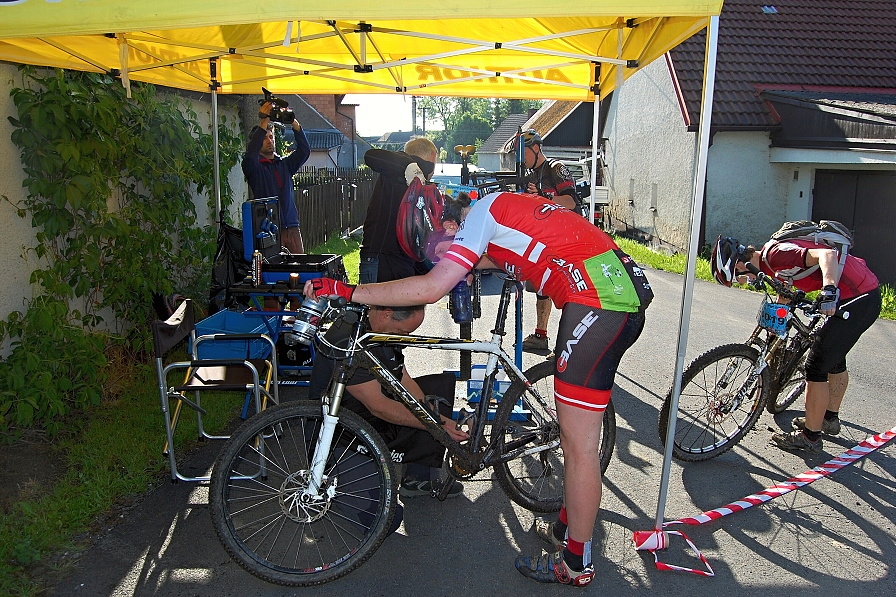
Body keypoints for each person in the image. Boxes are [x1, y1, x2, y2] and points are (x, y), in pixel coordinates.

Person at [304, 191, 651, 585]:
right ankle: (565, 532)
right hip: (612, 291)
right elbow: (498, 258)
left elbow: (431, 288)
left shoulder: (482, 214)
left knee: (579, 447)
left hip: (601, 301)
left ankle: (575, 565)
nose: (444, 253)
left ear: (453, 224)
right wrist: (463, 265)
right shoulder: (497, 213)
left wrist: (346, 290)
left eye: (443, 243)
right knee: (577, 443)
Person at [712, 234, 881, 453]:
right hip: (853, 293)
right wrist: (773, 327)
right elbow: (786, 292)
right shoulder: (770, 264)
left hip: (859, 297)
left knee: (815, 367)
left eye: (738, 278)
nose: (746, 283)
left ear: (740, 266)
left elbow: (827, 254)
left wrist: (829, 290)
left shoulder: (776, 255)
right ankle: (828, 419)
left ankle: (810, 438)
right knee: (834, 356)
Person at [307, 304, 468, 498]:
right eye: (403, 331)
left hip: (368, 410)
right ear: (386, 314)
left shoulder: (384, 330)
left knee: (436, 391)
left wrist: (433, 414)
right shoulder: (349, 338)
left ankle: (419, 478)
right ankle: (342, 468)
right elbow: (378, 406)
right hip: (342, 428)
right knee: (382, 512)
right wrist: (436, 425)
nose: (405, 337)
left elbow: (402, 378)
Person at [510, 129, 582, 353]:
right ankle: (541, 335)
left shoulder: (556, 168)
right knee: (542, 286)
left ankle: (570, 346)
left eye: (523, 153)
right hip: (548, 238)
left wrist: (545, 196)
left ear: (536, 148)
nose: (521, 159)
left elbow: (571, 201)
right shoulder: (531, 175)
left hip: (570, 238)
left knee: (567, 292)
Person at [359, 137, 439, 284]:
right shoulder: (396, 168)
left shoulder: (419, 185)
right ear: (430, 158)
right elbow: (370, 155)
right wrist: (410, 165)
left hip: (401, 259)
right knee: (379, 300)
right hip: (382, 259)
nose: (433, 172)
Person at [241, 101, 311, 254]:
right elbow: (250, 155)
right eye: (264, 138)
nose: (269, 141)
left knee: (300, 266)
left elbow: (304, 151)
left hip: (291, 226)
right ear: (257, 142)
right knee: (274, 267)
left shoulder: (284, 165)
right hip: (269, 229)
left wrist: (294, 123)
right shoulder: (255, 168)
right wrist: (264, 120)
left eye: (271, 136)